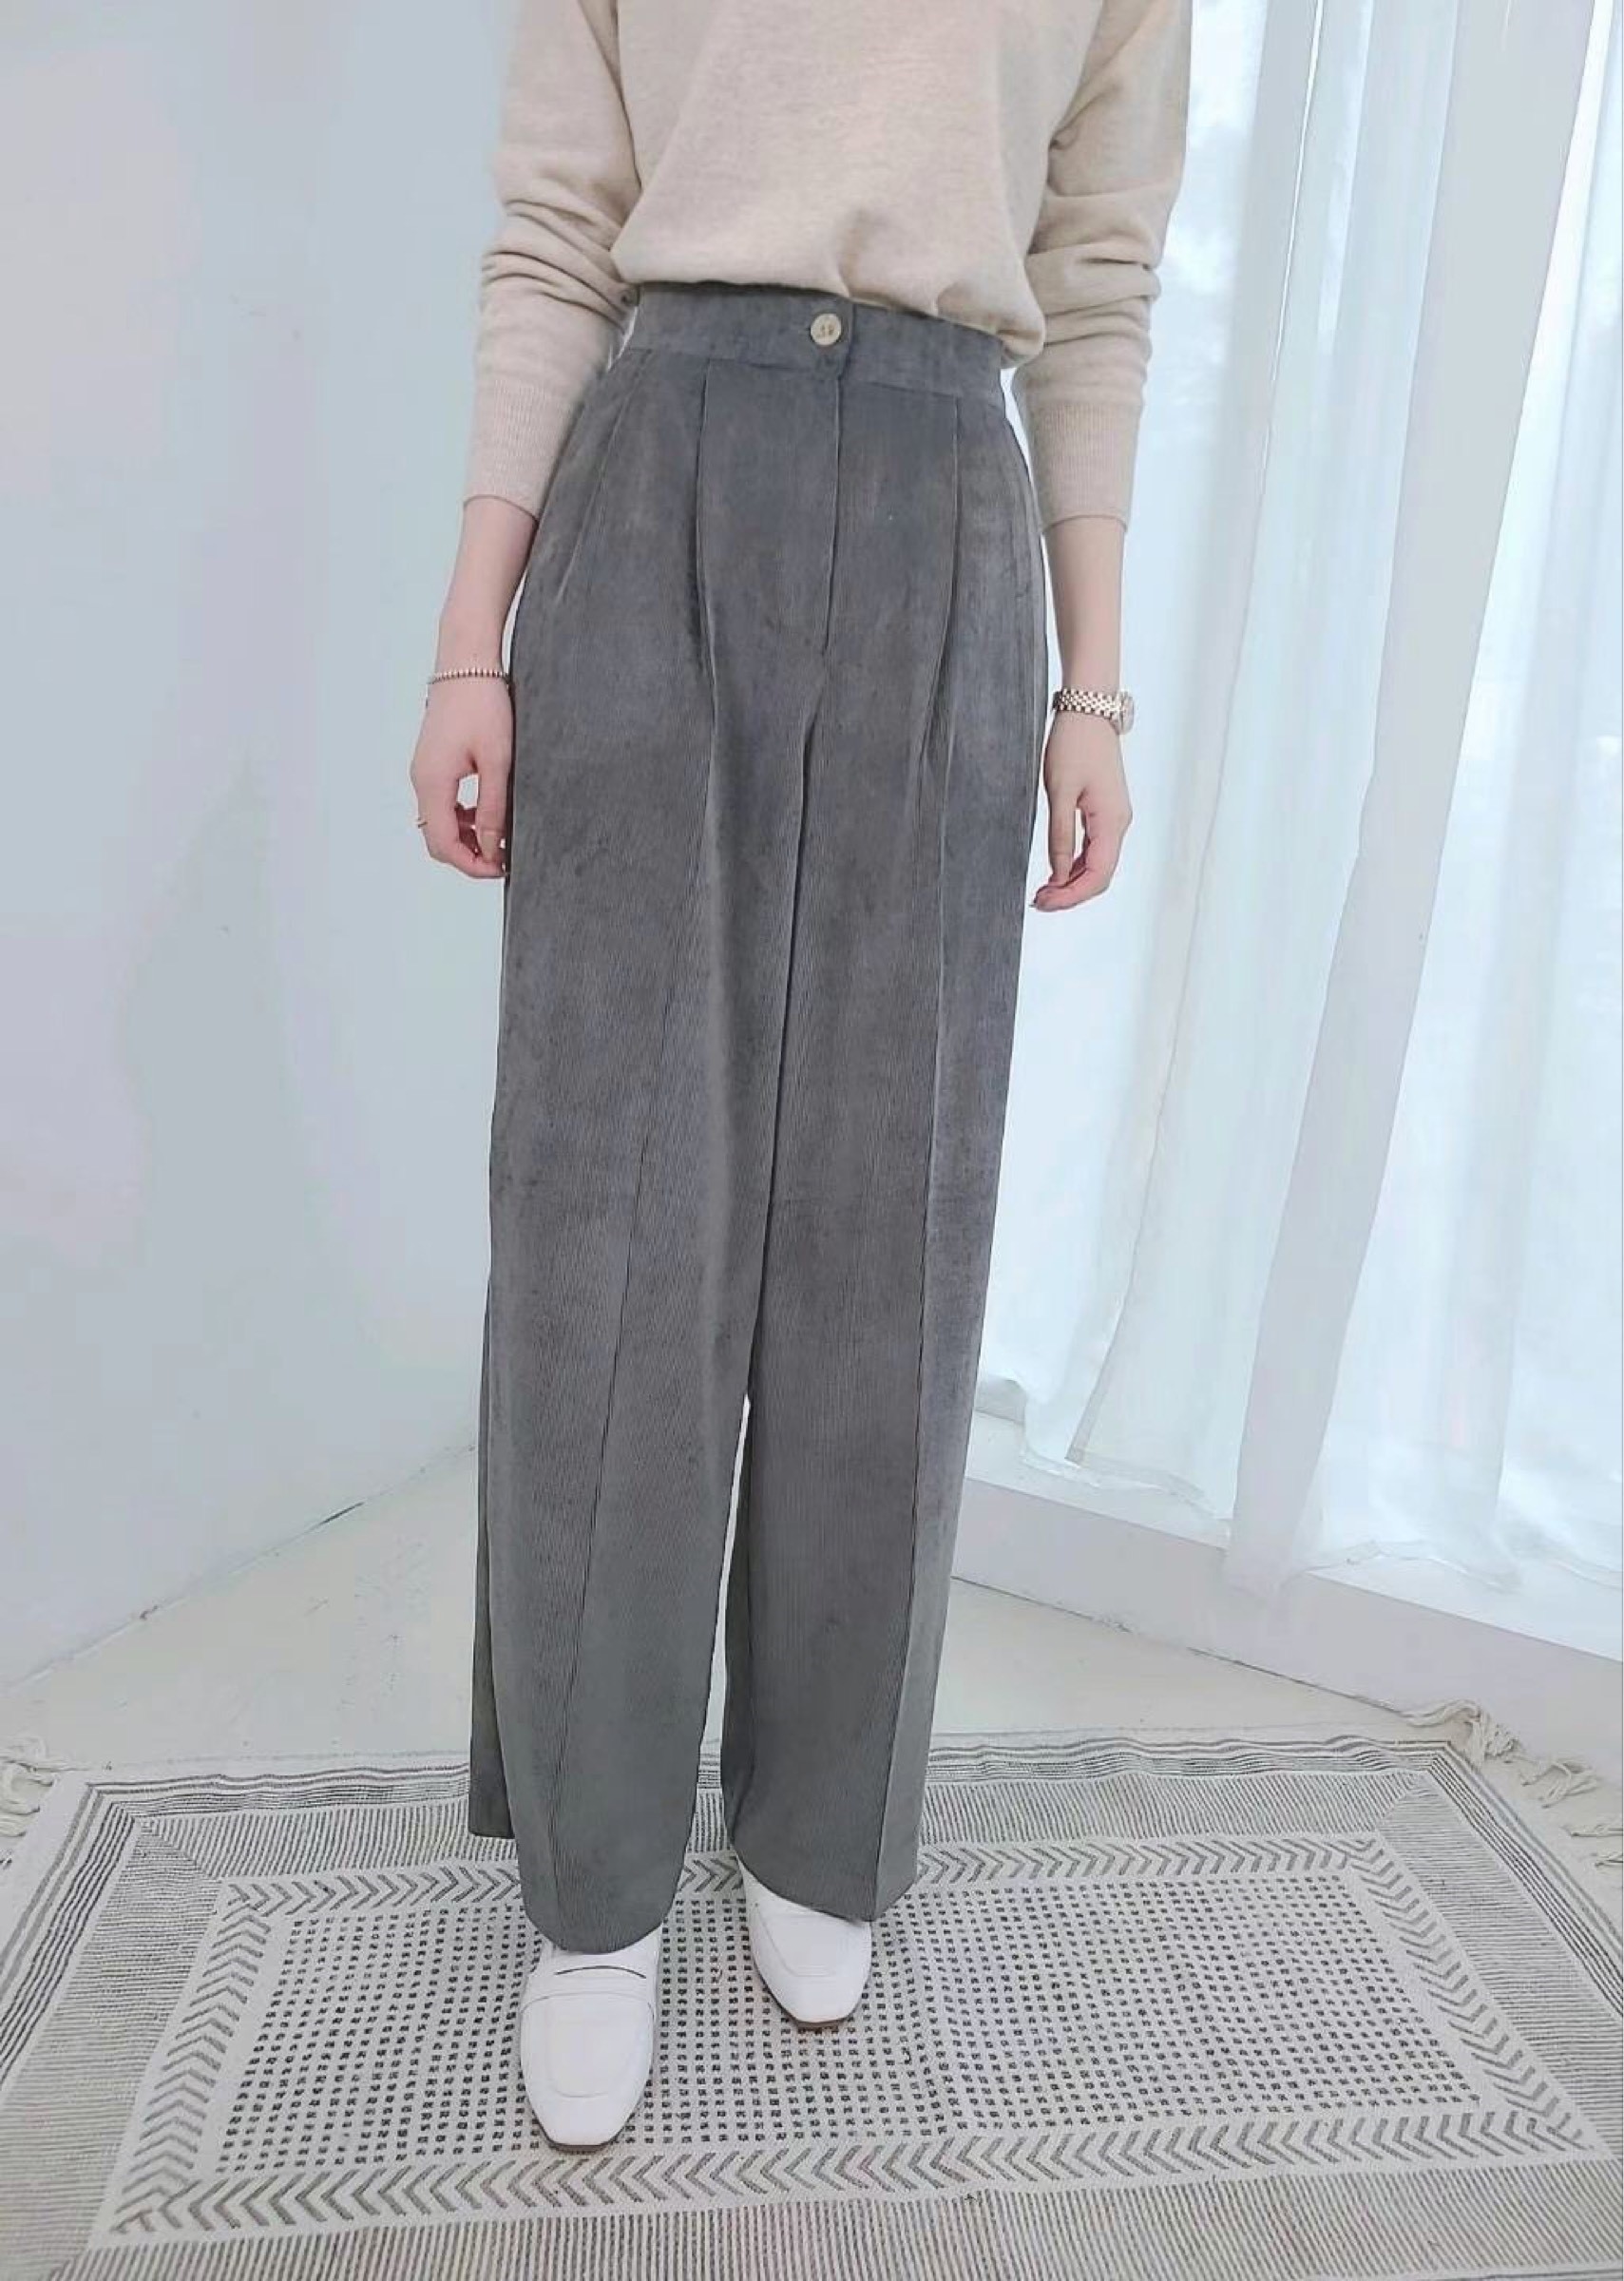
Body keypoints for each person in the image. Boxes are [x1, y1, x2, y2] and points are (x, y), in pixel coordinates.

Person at [411, 0, 1191, 2152]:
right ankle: (594, 1890)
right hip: (657, 478)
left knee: (888, 1217)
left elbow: (1098, 283)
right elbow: (554, 233)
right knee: (610, 1225)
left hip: (951, 504)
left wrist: (1094, 688)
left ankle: (819, 1824)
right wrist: (472, 640)